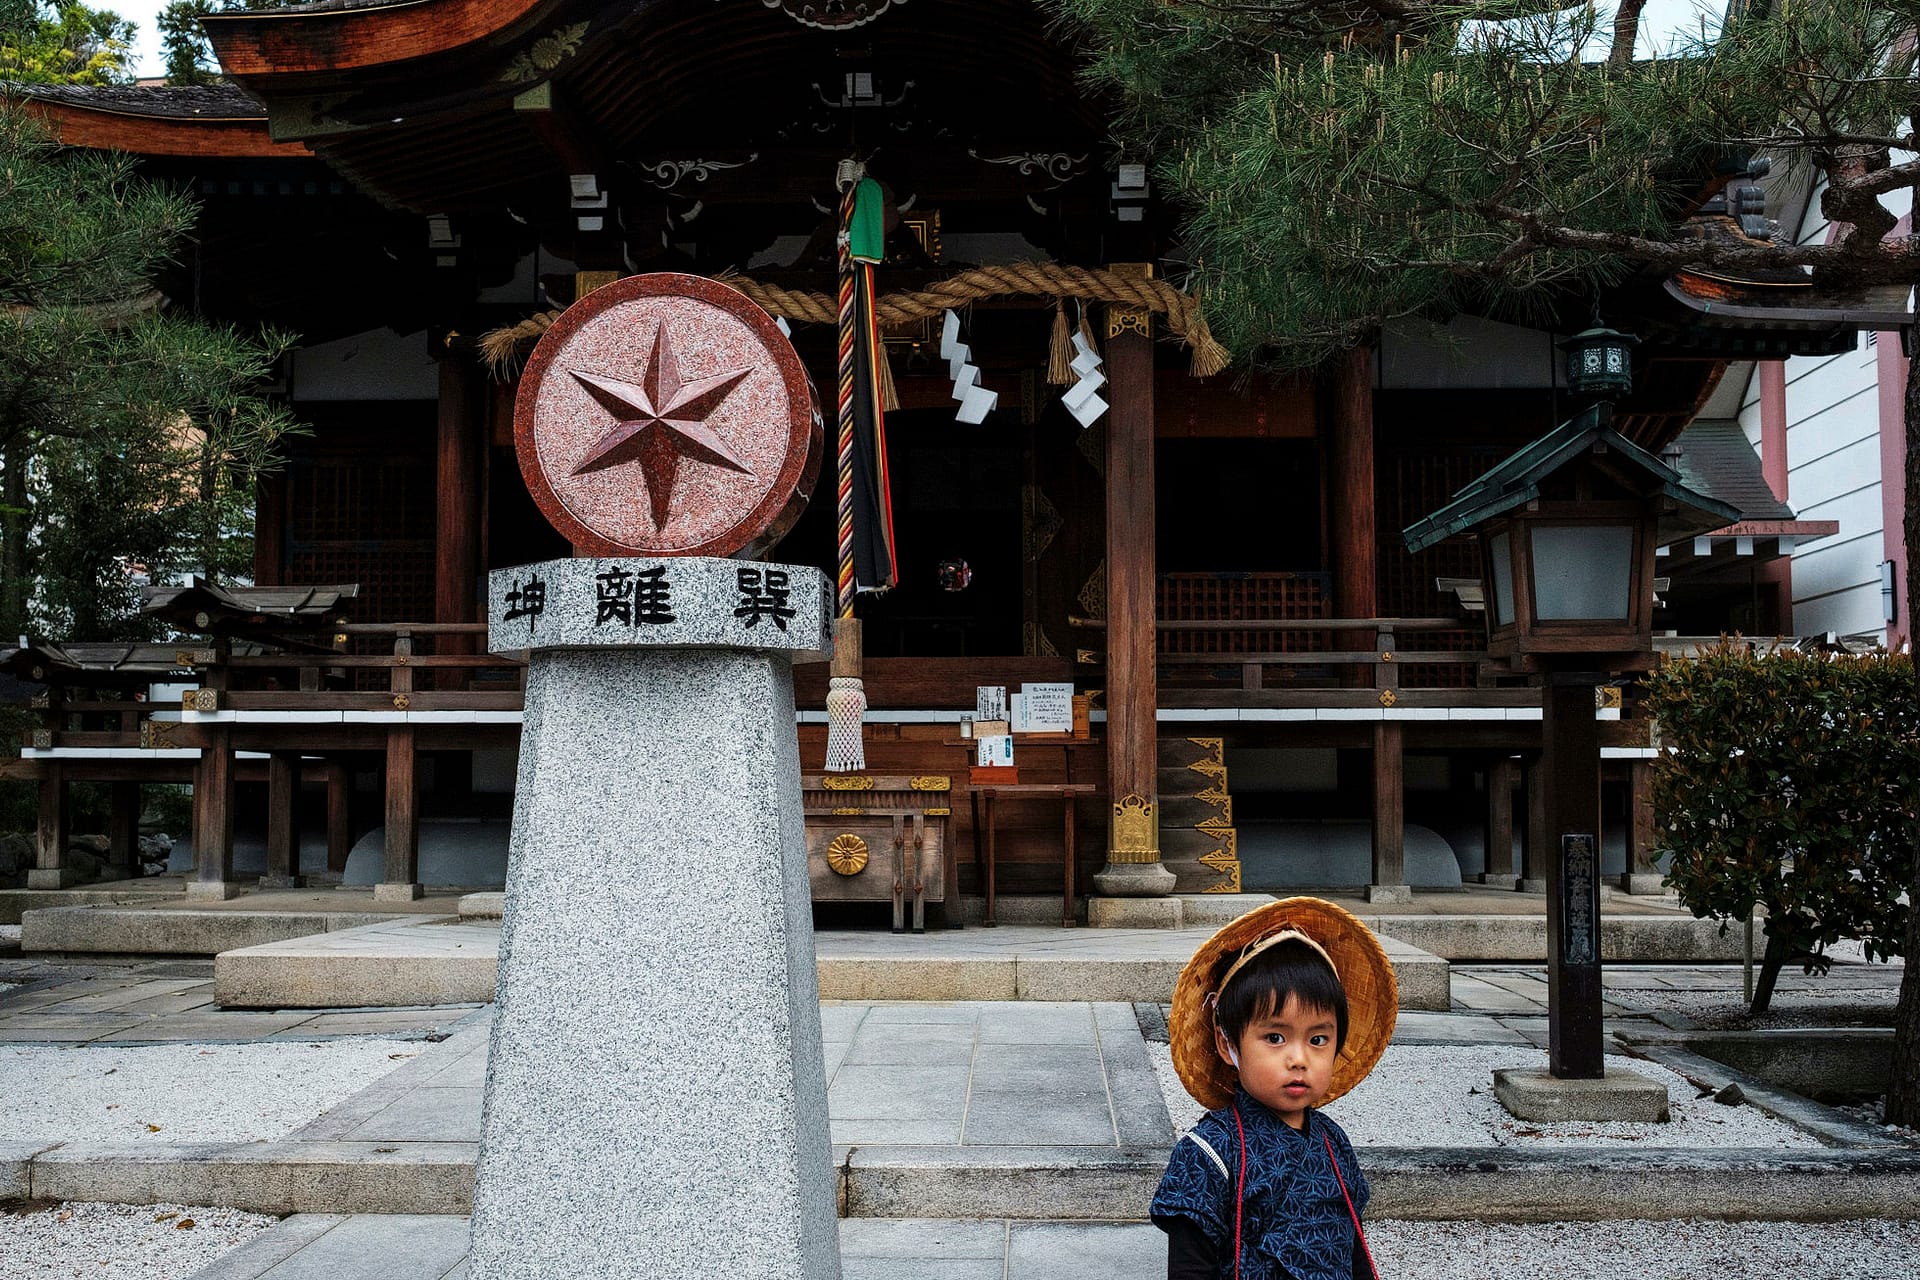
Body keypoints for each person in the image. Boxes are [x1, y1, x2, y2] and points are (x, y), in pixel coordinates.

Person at [1151, 897, 1399, 1280]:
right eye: (1275, 1037)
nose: (1298, 1058)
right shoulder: (1209, 1154)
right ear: (1227, 1043)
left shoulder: (1334, 1144)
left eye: (1317, 1040)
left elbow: (1353, 1249)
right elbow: (1190, 1268)